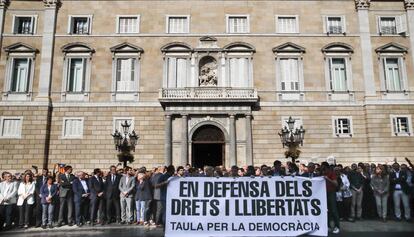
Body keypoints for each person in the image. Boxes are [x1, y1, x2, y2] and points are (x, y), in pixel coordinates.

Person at [321, 162, 340, 234]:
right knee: (326, 211)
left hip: (331, 193)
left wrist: (327, 179)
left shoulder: (332, 173)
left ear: (326, 167)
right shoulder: (322, 174)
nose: (323, 170)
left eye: (324, 168)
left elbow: (336, 184)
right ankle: (328, 226)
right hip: (324, 194)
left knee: (333, 210)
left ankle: (337, 226)